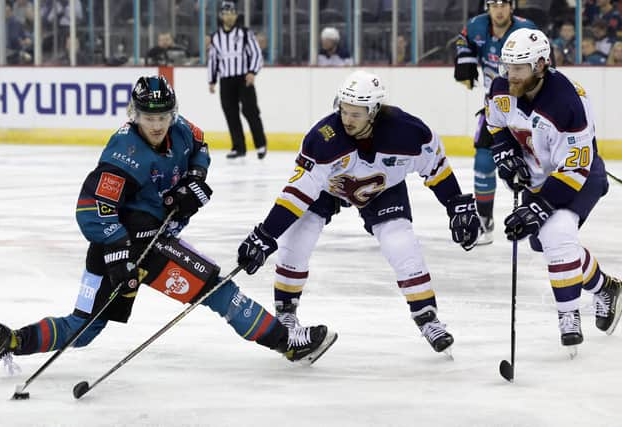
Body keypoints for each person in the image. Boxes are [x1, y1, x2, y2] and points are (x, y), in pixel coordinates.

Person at [0, 76, 337, 379]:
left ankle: (7, 339)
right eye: (148, 117)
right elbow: (92, 209)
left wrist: (194, 179)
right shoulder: (124, 153)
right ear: (133, 115)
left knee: (85, 328)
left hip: (144, 241)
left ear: (173, 112)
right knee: (216, 290)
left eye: (164, 115)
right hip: (133, 244)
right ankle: (287, 343)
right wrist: (119, 256)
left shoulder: (182, 130)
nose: (157, 124)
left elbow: (201, 145)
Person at [235, 70, 481, 355]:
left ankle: (427, 318)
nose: (347, 120)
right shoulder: (323, 138)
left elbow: (436, 170)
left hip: (383, 189)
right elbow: (297, 194)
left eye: (356, 114)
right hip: (329, 189)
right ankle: (286, 312)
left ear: (374, 111)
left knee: (399, 241)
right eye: (344, 110)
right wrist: (266, 234)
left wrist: (455, 204)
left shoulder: (409, 132)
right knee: (298, 235)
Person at [487, 28, 621, 353]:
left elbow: (575, 169)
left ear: (541, 64)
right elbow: (496, 125)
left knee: (557, 233)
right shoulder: (501, 88)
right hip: (539, 177)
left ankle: (568, 315)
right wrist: (506, 156)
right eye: (508, 67)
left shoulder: (568, 101)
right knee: (547, 242)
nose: (511, 75)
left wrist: (540, 206)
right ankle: (605, 287)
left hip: (581, 175)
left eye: (519, 68)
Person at [454, 0, 537, 245]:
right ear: (487, 7)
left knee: (533, 167)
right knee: (482, 160)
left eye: (504, 4)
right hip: (494, 106)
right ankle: (484, 220)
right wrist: (465, 61)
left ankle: (535, 214)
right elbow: (462, 39)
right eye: (494, 4)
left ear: (512, 7)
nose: (499, 9)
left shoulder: (526, 28)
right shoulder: (476, 25)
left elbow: (545, 59)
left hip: (526, 108)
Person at [207, 0, 268, 160]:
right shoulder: (216, 37)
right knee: (230, 113)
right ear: (221, 16)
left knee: (250, 110)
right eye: (226, 13)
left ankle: (261, 144)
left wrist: (252, 72)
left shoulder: (245, 33)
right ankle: (238, 147)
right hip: (226, 79)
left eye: (231, 13)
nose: (229, 16)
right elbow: (214, 59)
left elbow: (256, 54)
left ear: (236, 15)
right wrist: (212, 80)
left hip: (244, 78)